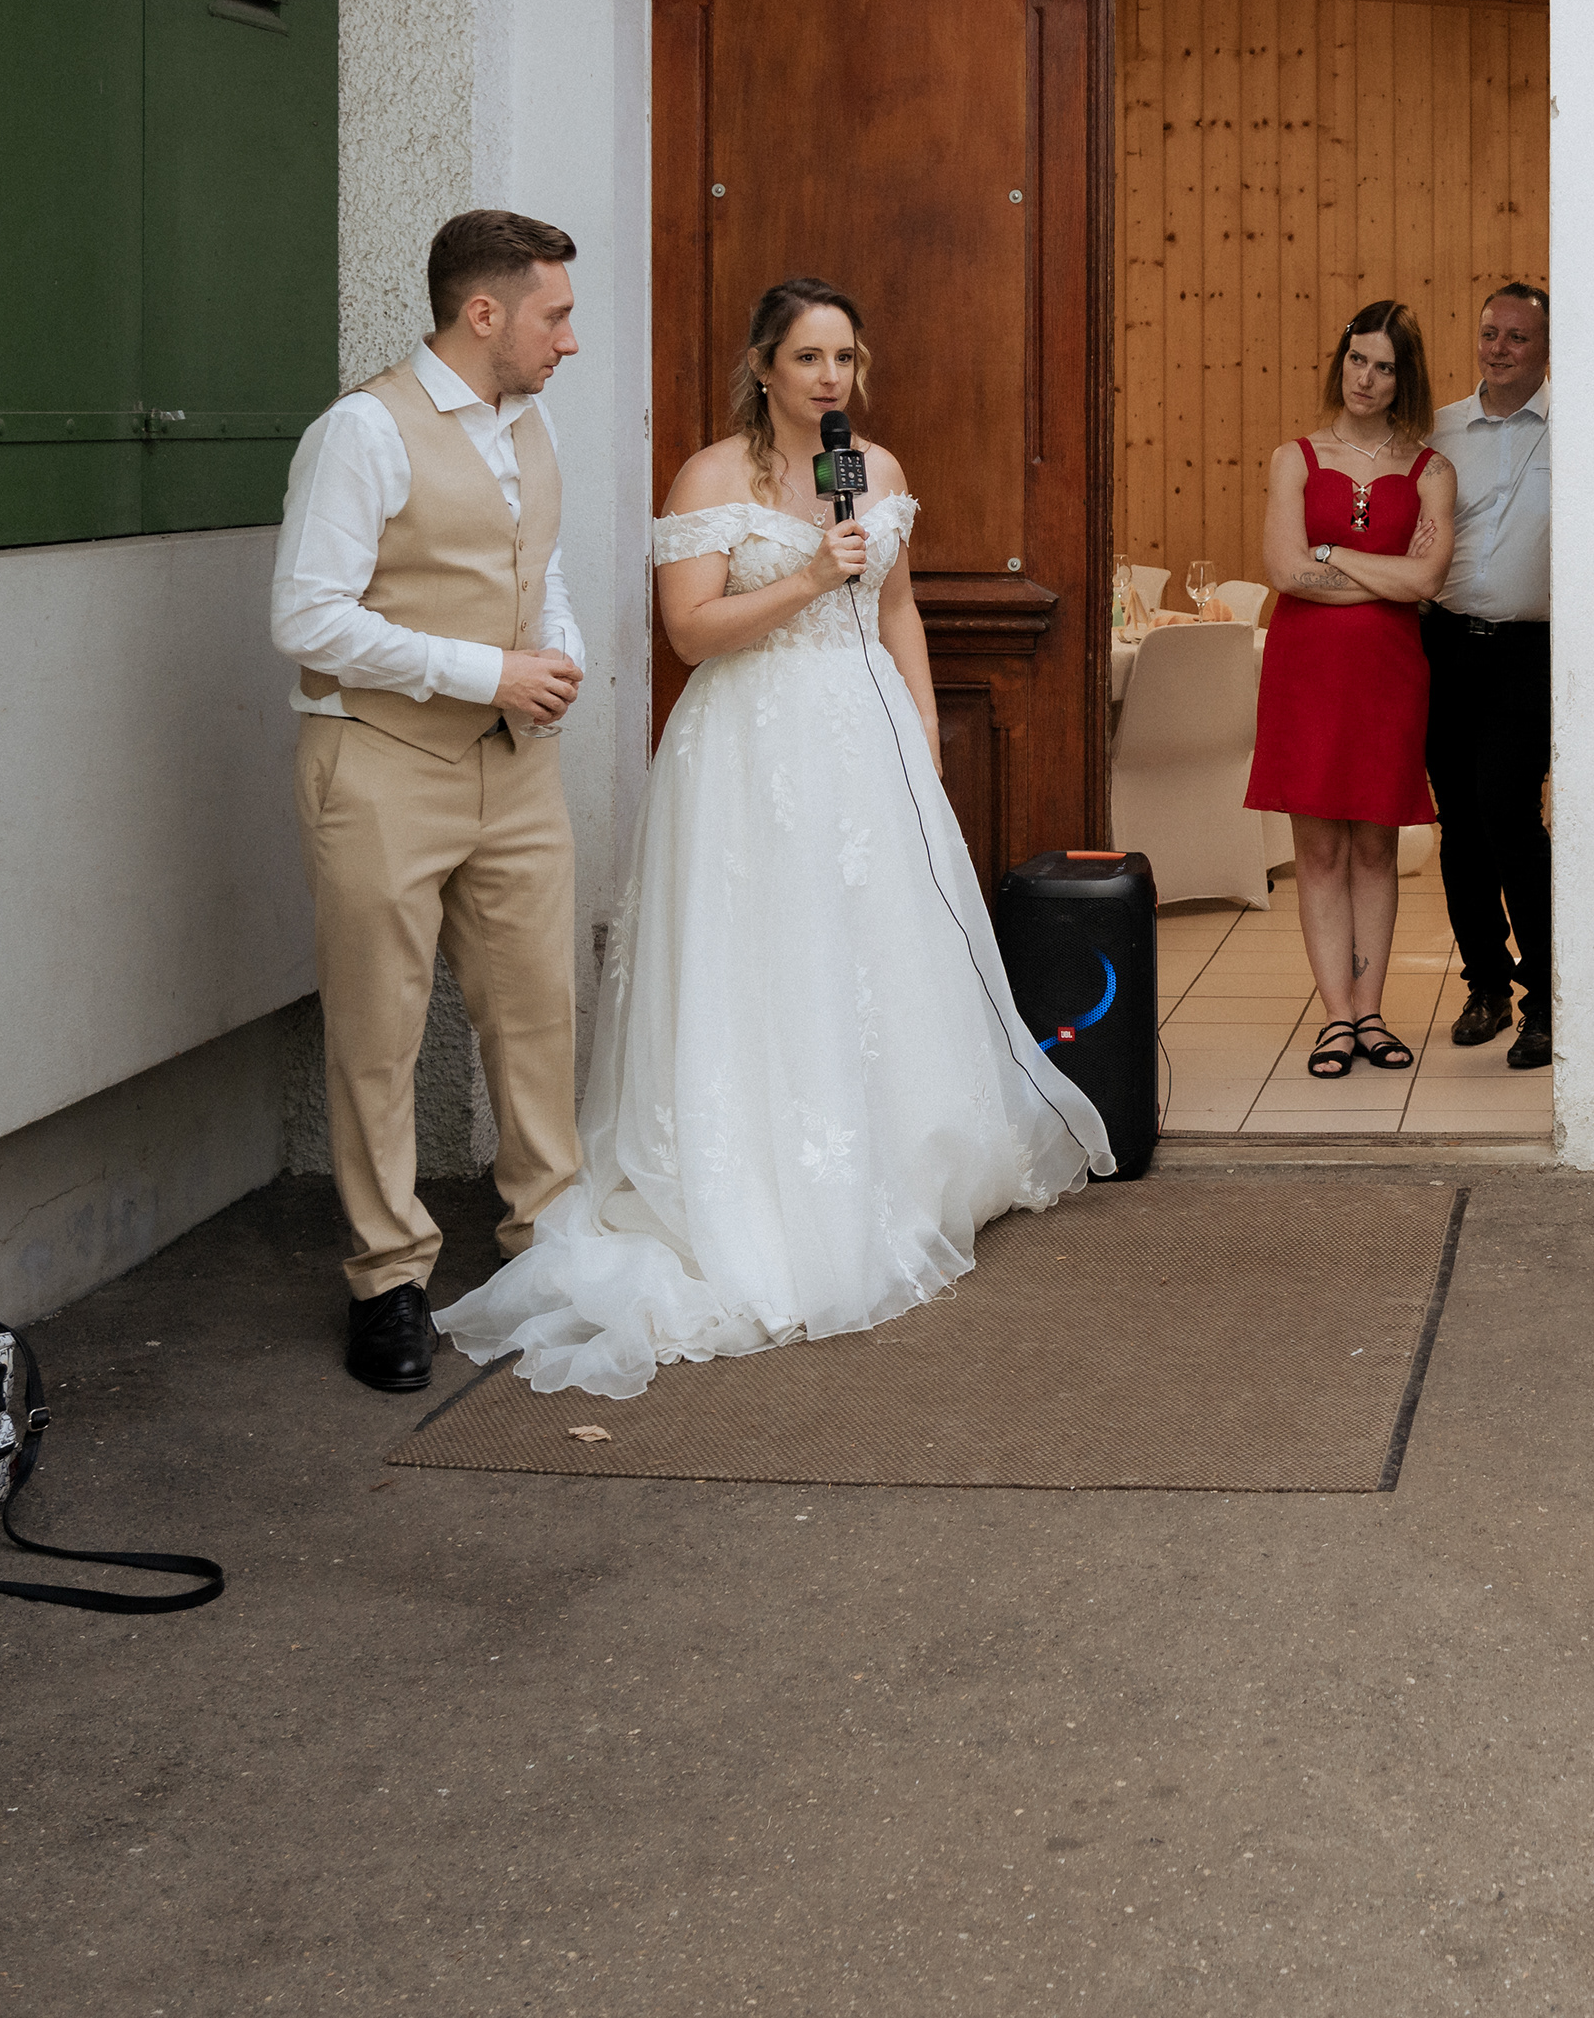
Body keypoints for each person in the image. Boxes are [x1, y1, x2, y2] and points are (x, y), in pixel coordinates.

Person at [434, 277, 1110, 1398]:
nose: (831, 378)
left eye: (845, 358)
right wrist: (805, 576)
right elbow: (690, 633)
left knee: (870, 947)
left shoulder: (875, 469)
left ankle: (891, 1163)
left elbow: (895, 607)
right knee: (764, 950)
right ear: (763, 366)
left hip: (863, 736)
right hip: (750, 745)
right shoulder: (711, 477)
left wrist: (923, 733)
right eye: (808, 358)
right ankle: (762, 1177)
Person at [271, 210, 593, 1393]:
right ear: (484, 312)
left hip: (517, 767)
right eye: (556, 315)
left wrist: (556, 652)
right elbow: (306, 616)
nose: (570, 339)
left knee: (537, 1011)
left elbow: (540, 565)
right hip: (381, 763)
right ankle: (388, 1280)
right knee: (378, 1029)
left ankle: (546, 1245)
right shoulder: (361, 431)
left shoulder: (530, 422)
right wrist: (485, 672)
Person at [1250, 302, 1457, 1083]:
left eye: (1384, 367)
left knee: (1375, 845)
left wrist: (1330, 553)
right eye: (1357, 360)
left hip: (1387, 675)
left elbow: (1427, 581)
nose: (1365, 379)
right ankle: (1337, 1015)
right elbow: (1285, 570)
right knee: (1318, 849)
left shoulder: (1432, 471)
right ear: (1341, 362)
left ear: (1405, 379)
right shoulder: (1294, 459)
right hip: (1306, 672)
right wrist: (1382, 573)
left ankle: (1371, 1012)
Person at [1423, 282, 1554, 1071]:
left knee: (1509, 815)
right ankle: (1486, 987)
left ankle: (1545, 1001)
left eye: (1517, 337)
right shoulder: (1438, 431)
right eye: (1489, 334)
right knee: (1461, 823)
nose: (1498, 349)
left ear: (1545, 349)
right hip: (1445, 645)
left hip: (1528, 653)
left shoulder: (1574, 427)